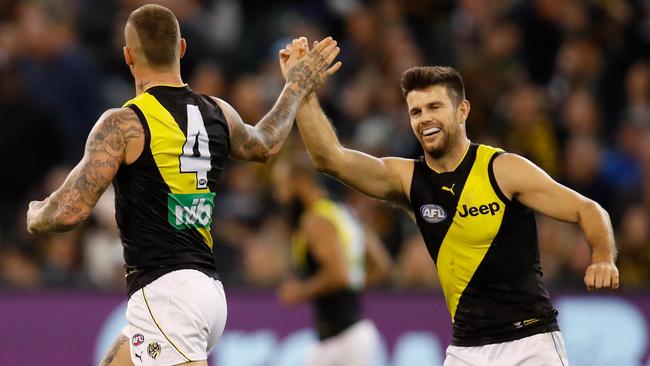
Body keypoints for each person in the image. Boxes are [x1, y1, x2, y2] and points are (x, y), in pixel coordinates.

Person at [25, 5, 341, 366]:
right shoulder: (218, 111)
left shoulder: (125, 123)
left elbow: (68, 212)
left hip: (167, 293)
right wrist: (297, 86)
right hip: (203, 292)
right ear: (182, 49)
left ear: (128, 56)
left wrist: (37, 214)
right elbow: (265, 142)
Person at [280, 41, 619, 366]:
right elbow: (330, 159)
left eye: (434, 107)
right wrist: (301, 89)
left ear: (462, 110)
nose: (423, 118)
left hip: (529, 343)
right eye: (415, 111)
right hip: (465, 350)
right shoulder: (407, 179)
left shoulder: (502, 169)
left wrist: (603, 257)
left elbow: (588, 210)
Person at [271, 151, 392, 366]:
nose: (278, 196)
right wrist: (351, 284)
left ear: (300, 181)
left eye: (281, 185)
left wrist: (300, 291)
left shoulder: (315, 219)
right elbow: (381, 265)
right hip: (351, 334)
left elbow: (337, 275)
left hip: (341, 342)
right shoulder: (342, 211)